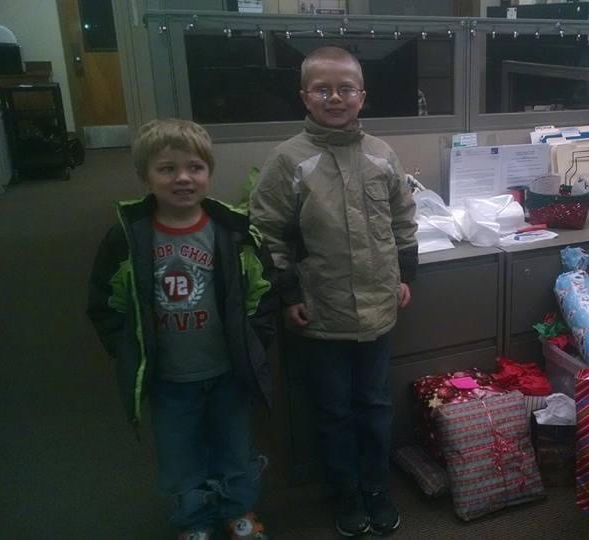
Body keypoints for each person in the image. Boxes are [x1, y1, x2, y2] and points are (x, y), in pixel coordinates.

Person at [249, 46, 418, 537]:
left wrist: (405, 274)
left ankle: (376, 488)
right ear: (304, 96)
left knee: (375, 404)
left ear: (362, 96)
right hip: (321, 311)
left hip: (378, 306)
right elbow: (267, 233)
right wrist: (287, 293)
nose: (335, 97)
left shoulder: (381, 154)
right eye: (323, 88)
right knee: (333, 410)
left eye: (346, 88)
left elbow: (402, 219)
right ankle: (344, 494)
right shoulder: (288, 160)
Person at [87, 119, 277, 540]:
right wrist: (127, 351)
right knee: (179, 455)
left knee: (234, 447)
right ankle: (193, 519)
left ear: (209, 172)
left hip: (227, 370)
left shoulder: (231, 232)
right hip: (169, 376)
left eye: (194, 167)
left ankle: (238, 509)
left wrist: (254, 344)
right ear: (145, 177)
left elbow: (262, 293)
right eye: (167, 169)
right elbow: (105, 304)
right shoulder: (127, 238)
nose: (183, 178)